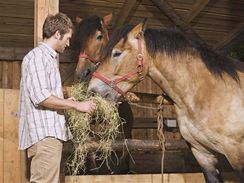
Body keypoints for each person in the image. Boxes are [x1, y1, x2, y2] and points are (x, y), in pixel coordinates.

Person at [18, 12, 96, 183]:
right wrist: (76, 106)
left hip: (47, 136)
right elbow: (42, 97)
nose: (68, 44)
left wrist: (67, 102)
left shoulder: (46, 59)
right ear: (57, 34)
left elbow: (43, 94)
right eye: (67, 38)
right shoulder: (38, 58)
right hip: (45, 136)